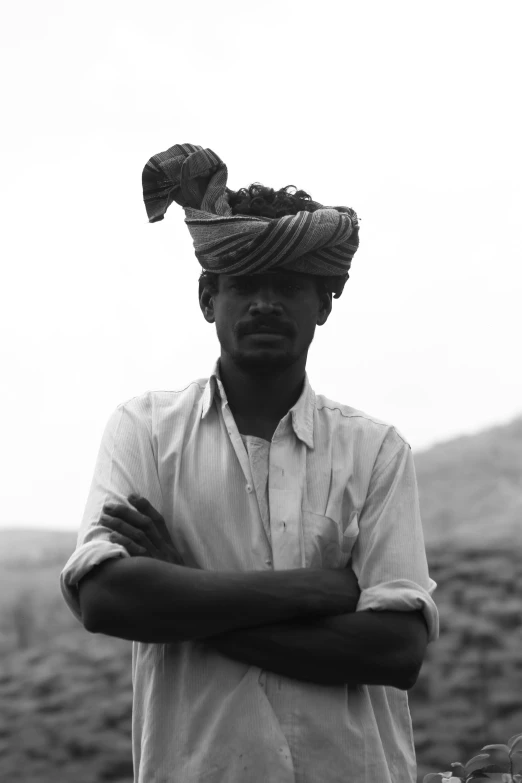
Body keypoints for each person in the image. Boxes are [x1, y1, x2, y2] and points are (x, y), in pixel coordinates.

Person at [60, 143, 439, 783]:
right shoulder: (146, 430)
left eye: (289, 286)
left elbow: (396, 649)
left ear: (323, 304)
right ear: (209, 300)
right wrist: (320, 591)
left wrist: (183, 585)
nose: (266, 303)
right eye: (244, 285)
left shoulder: (375, 450)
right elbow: (106, 599)